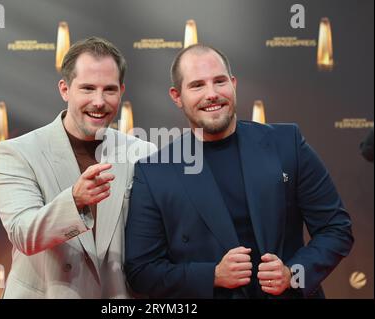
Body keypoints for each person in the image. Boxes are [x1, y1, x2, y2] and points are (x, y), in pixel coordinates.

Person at [124, 44, 353, 298]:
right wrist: (211, 275)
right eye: (197, 85)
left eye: (219, 81)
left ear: (233, 84)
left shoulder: (287, 143)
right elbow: (141, 271)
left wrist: (293, 273)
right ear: (176, 96)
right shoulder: (154, 171)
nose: (212, 94)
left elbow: (336, 228)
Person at [0, 37, 155, 298]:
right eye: (88, 88)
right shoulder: (17, 152)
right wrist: (74, 201)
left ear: (121, 91)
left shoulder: (144, 154)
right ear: (65, 89)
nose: (99, 101)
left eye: (109, 90)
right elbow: (24, 234)